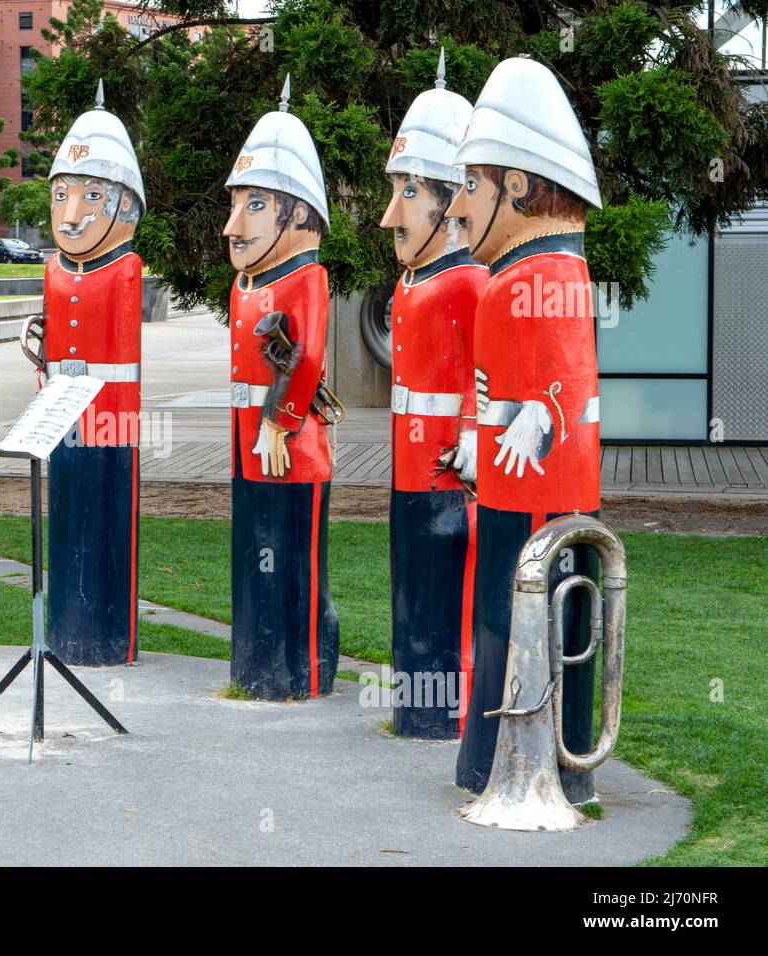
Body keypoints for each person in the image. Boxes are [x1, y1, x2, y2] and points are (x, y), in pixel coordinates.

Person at [446, 57, 603, 802]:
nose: (457, 209)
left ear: (514, 184)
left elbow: (559, 385)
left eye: (469, 185)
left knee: (531, 625)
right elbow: (502, 387)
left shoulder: (544, 276)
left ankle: (540, 769)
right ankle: (497, 761)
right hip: (511, 491)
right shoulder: (515, 278)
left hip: (544, 501)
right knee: (501, 625)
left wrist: (537, 416)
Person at [378, 52, 486, 739]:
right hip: (406, 470)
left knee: (443, 595)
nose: (392, 213)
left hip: (445, 474)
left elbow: (487, 365)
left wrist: (474, 434)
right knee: (410, 592)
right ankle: (416, 706)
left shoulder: (468, 282)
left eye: (410, 192)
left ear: (451, 201)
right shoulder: (410, 283)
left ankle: (445, 709)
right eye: (395, 189)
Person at [222, 77, 339, 701]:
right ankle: (255, 665)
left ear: (296, 212)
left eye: (255, 205)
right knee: (253, 553)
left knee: (292, 557)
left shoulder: (306, 276)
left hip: (288, 442)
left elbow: (309, 355)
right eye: (236, 204)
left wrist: (278, 422)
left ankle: (301, 668)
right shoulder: (244, 283)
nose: (233, 226)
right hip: (247, 441)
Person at [41, 82, 145, 666]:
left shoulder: (124, 268)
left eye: (90, 196)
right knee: (67, 520)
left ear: (124, 206)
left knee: (104, 520)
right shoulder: (55, 272)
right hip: (61, 416)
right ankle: (67, 629)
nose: (72, 214)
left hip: (110, 423)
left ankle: (105, 635)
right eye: (61, 195)